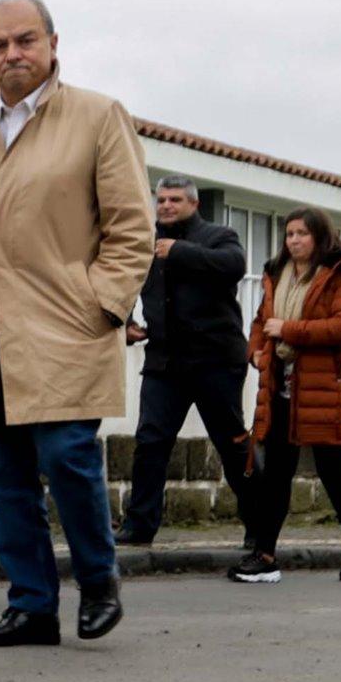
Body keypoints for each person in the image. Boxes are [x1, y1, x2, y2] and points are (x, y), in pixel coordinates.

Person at [0, 0, 155, 649]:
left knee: (67, 455)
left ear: (54, 43)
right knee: (0, 478)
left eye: (26, 41)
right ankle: (32, 605)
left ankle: (98, 577)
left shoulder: (96, 117)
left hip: (66, 327)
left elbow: (133, 227)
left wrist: (102, 304)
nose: (13, 55)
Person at [231, 207, 341, 585]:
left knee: (333, 474)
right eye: (289, 233)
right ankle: (265, 556)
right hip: (282, 387)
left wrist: (290, 329)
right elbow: (259, 322)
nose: (294, 240)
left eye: (302, 233)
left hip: (326, 389)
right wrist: (256, 352)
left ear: (320, 236)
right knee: (275, 476)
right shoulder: (276, 272)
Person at [119, 172, 251, 547]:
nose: (166, 206)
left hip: (215, 361)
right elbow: (127, 283)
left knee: (231, 443)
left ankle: (259, 526)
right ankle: (139, 527)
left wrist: (179, 251)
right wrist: (126, 322)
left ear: (193, 204)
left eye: (175, 200)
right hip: (165, 363)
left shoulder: (218, 236)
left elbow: (234, 265)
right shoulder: (147, 244)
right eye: (161, 200)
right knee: (150, 442)